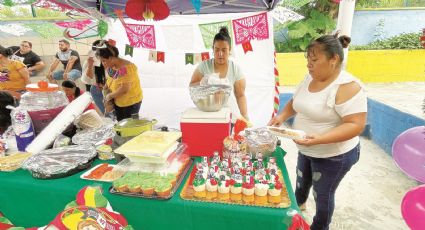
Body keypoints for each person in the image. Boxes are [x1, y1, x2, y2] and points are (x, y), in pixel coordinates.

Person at [268, 34, 367, 230]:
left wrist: (321, 139)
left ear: (334, 59)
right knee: (301, 183)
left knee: (323, 195)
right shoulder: (310, 77)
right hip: (307, 148)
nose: (309, 65)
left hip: (334, 156)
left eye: (314, 60)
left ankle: (320, 227)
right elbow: (296, 102)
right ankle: (298, 212)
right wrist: (281, 117)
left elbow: (356, 124)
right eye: (308, 60)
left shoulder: (347, 86)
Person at [189, 27, 249, 121]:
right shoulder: (204, 66)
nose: (220, 54)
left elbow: (240, 96)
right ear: (213, 49)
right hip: (207, 117)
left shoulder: (235, 69)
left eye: (224, 50)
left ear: (230, 50)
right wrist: (203, 82)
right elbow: (191, 86)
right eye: (217, 50)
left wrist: (245, 117)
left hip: (229, 117)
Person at [95, 40, 143, 121]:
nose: (102, 64)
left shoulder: (125, 68)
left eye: (103, 61)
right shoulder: (113, 66)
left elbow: (124, 89)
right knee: (121, 123)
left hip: (130, 103)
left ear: (111, 58)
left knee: (130, 125)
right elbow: (112, 78)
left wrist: (109, 96)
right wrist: (106, 87)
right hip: (120, 102)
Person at [85, 40, 105, 114]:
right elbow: (90, 76)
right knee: (105, 112)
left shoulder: (111, 61)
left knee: (114, 111)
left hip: (110, 89)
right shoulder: (93, 60)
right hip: (96, 89)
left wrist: (104, 87)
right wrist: (90, 65)